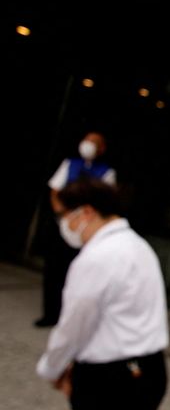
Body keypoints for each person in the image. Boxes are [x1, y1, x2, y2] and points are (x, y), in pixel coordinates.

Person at [36, 178, 168, 410]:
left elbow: (73, 326)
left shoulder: (98, 257)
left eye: (65, 216)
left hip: (110, 380)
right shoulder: (139, 246)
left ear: (86, 213)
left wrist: (52, 368)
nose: (64, 225)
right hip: (149, 371)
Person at [35, 131, 117, 327]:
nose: (88, 145)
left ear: (102, 148)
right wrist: (62, 213)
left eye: (94, 142)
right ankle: (50, 314)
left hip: (85, 232)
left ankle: (69, 317)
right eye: (87, 140)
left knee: (76, 274)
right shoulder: (69, 164)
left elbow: (106, 202)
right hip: (63, 225)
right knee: (53, 271)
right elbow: (54, 191)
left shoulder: (107, 173)